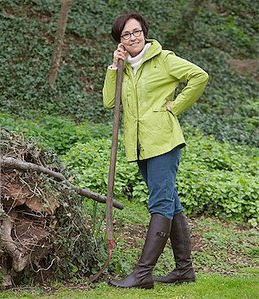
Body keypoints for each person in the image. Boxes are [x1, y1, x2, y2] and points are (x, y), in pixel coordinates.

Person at [102, 12, 209, 289]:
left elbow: (199, 76)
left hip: (164, 142)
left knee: (160, 204)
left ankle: (142, 273)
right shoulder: (123, 66)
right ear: (120, 41)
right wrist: (115, 69)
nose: (133, 37)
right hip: (139, 146)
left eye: (136, 32)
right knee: (171, 203)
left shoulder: (164, 60)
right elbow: (109, 102)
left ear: (144, 33)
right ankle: (184, 270)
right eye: (126, 34)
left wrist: (176, 106)